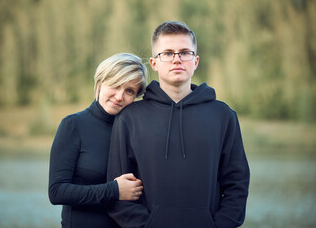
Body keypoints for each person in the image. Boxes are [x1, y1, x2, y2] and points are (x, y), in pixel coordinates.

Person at [107, 21, 250, 228]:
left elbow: (237, 183)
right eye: (167, 53)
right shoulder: (129, 118)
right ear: (154, 63)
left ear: (196, 61)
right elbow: (117, 191)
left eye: (185, 52)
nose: (177, 59)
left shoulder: (223, 116)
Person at [49, 53, 148, 228]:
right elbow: (57, 192)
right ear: (100, 83)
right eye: (115, 85)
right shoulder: (73, 125)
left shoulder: (136, 132)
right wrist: (114, 190)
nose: (119, 96)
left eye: (129, 91)